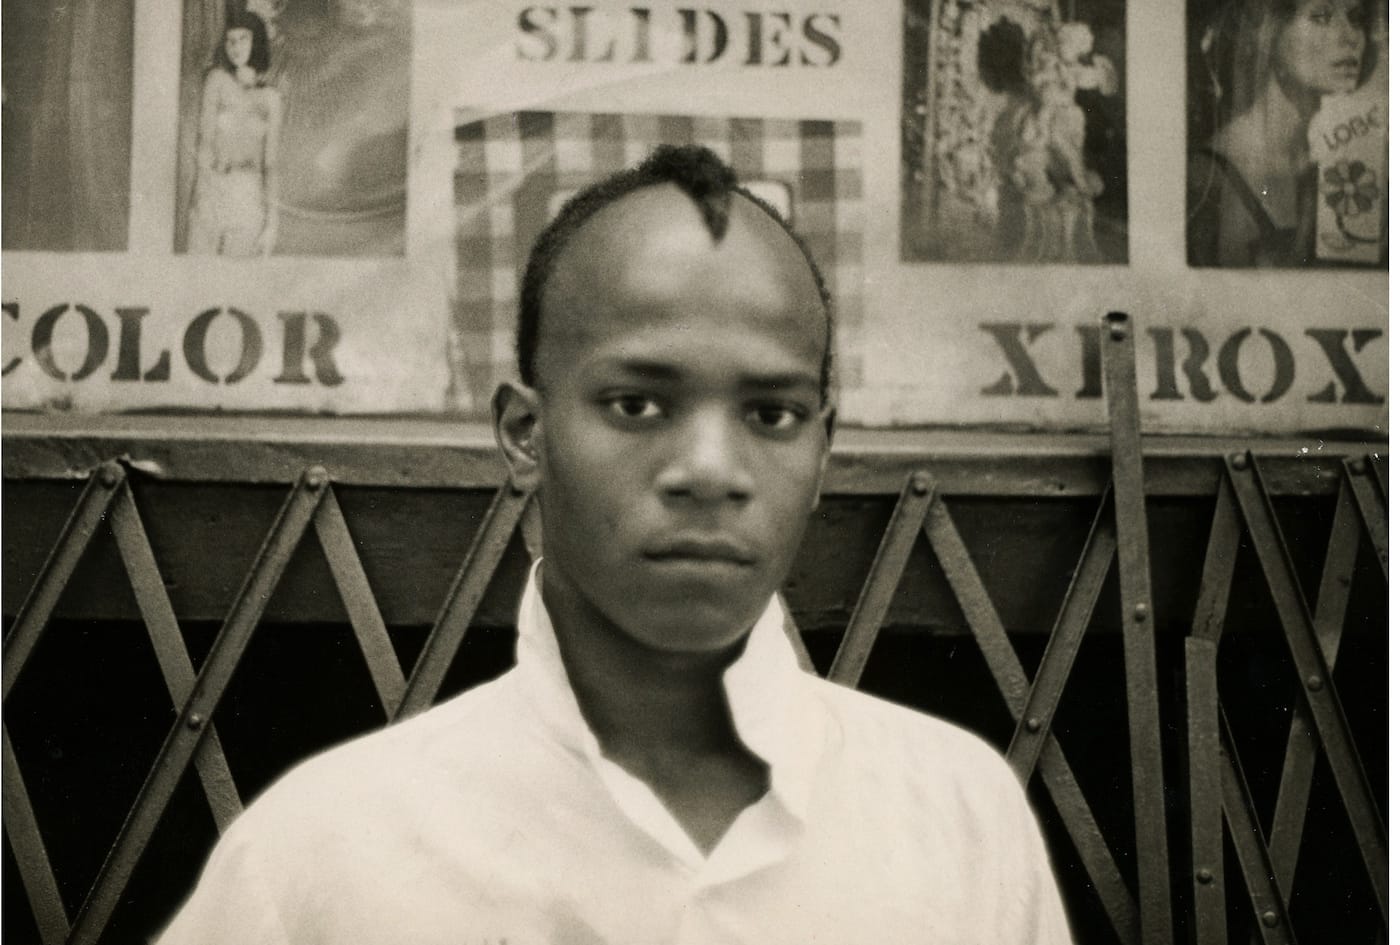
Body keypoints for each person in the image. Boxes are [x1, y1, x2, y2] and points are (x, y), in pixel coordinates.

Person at [156, 146, 1073, 944]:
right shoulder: (326, 855)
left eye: (772, 414)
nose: (711, 469)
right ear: (525, 431)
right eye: (637, 404)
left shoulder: (958, 821)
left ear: (823, 449)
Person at [1188, 0, 1372, 266]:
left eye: (1356, 18)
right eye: (1321, 17)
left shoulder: (1343, 157)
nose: (1350, 37)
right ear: (1268, 33)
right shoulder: (1211, 172)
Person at [185, 11, 282, 257]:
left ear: (257, 41)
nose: (235, 47)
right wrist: (200, 196)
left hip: (248, 195)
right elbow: (204, 142)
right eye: (230, 40)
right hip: (212, 187)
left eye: (243, 39)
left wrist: (272, 223)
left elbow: (270, 165)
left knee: (236, 283)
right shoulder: (216, 81)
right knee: (198, 280)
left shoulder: (271, 98)